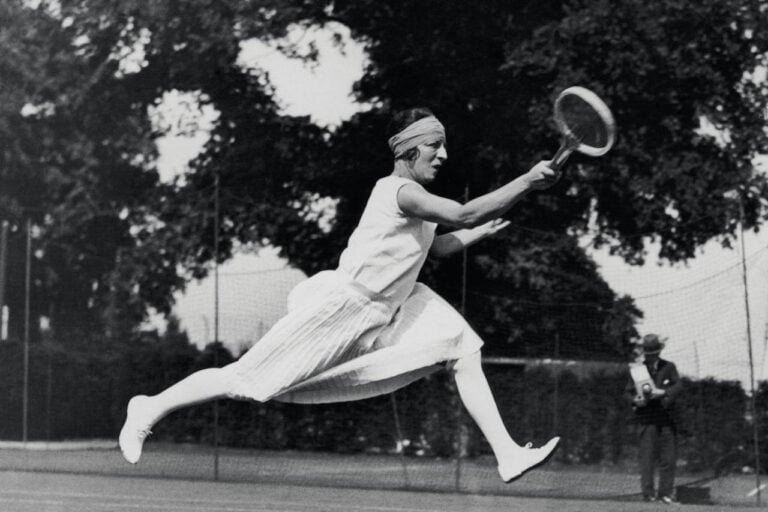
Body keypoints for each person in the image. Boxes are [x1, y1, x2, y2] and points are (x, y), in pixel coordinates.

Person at [120, 107, 561, 483]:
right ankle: (149, 406)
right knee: (245, 382)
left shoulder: (420, 203)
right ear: (409, 149)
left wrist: (481, 231)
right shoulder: (401, 192)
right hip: (345, 308)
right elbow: (462, 213)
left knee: (464, 349)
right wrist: (525, 181)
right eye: (434, 146)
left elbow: (440, 246)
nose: (443, 154)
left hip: (391, 309)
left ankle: (507, 454)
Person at [626, 334, 683, 504]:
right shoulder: (638, 371)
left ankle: (665, 494)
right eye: (648, 353)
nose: (651, 356)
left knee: (668, 459)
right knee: (647, 460)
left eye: (654, 352)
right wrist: (636, 401)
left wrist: (664, 393)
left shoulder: (669, 367)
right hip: (647, 419)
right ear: (644, 353)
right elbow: (628, 392)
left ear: (659, 352)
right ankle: (648, 495)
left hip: (666, 420)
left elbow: (678, 386)